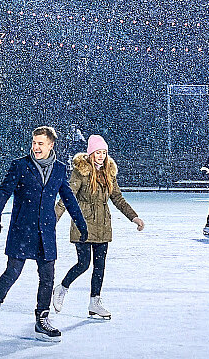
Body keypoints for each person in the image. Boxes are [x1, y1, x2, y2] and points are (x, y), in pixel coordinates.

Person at [0, 126, 88, 341]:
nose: (36, 147)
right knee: (12, 272)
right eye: (34, 142)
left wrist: (81, 223)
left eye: (41, 143)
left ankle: (42, 318)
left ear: (51, 145)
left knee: (47, 277)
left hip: (45, 230)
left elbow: (67, 197)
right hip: (22, 228)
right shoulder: (20, 165)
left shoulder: (59, 169)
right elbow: (3, 192)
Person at [52, 135, 144, 319]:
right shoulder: (80, 172)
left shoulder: (109, 172)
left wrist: (134, 217)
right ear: (91, 153)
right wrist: (53, 219)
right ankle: (62, 288)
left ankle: (95, 302)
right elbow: (67, 197)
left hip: (103, 225)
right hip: (83, 224)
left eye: (103, 152)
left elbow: (117, 198)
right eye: (97, 152)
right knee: (84, 263)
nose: (101, 156)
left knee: (99, 266)